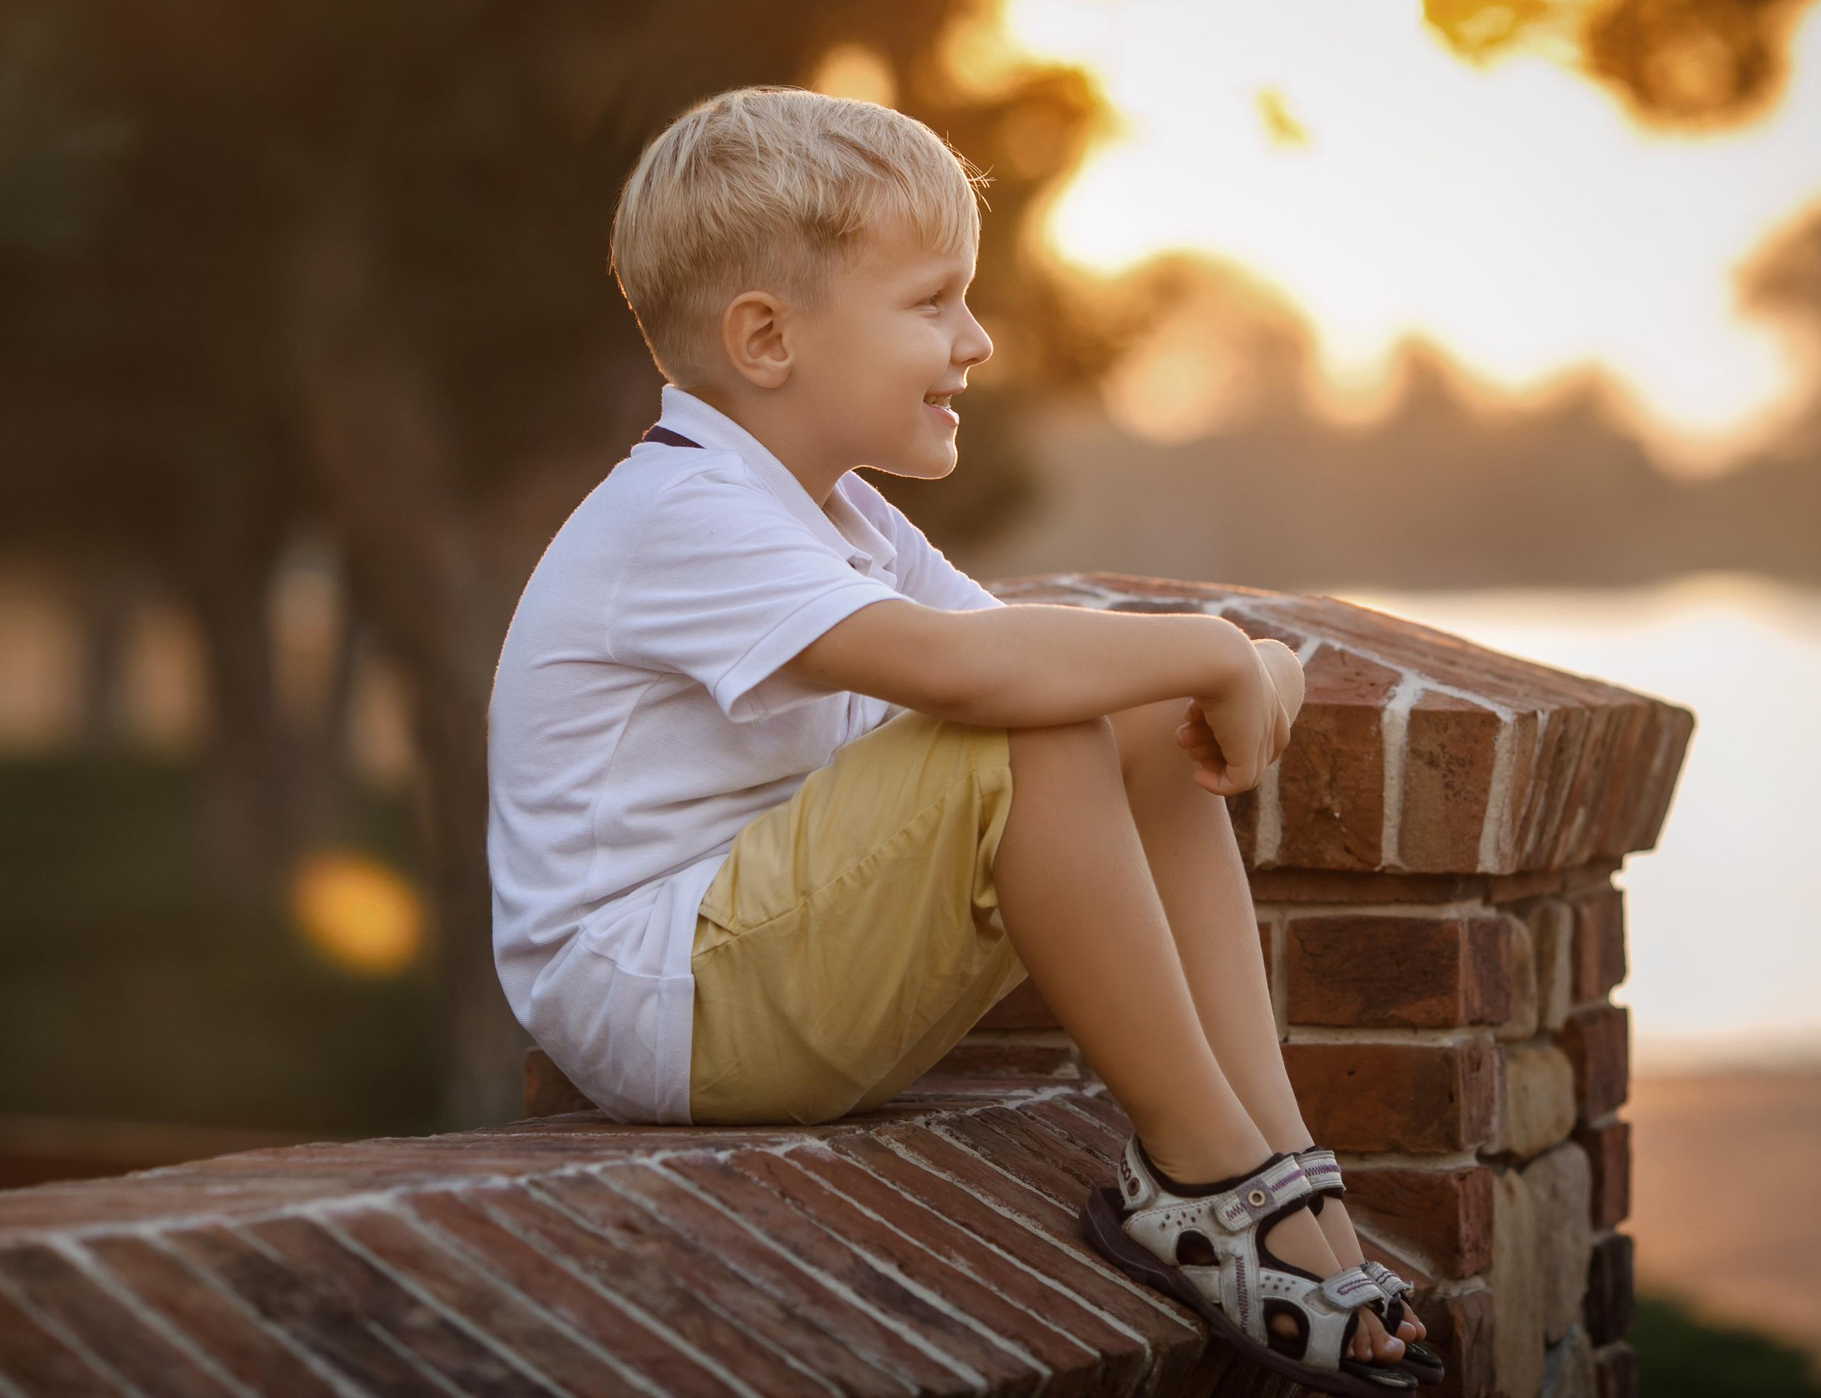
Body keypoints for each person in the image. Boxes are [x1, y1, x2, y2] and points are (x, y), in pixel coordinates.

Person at [489, 88, 1437, 1395]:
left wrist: (1199, 683)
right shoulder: (680, 509)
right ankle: (1202, 1171)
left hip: (764, 966)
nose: (978, 342)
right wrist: (1222, 647)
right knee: (1031, 718)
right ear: (766, 339)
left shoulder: (843, 517)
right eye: (932, 303)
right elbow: (970, 671)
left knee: (1133, 723)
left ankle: (1270, 1156)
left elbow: (1048, 667)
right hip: (669, 1000)